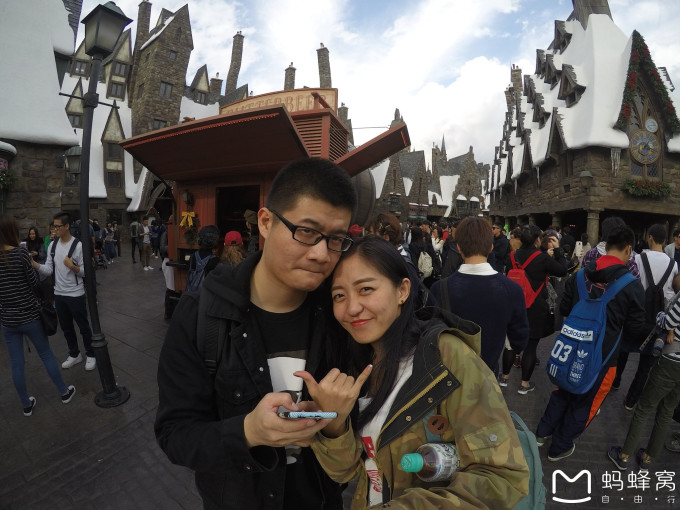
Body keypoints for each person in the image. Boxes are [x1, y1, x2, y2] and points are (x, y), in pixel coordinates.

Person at [155, 158, 357, 510]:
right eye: (306, 232)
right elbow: (176, 434)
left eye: (336, 239)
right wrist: (249, 431)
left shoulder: (340, 317)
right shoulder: (202, 315)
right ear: (265, 222)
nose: (321, 254)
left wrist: (335, 424)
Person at [297, 235, 529, 508]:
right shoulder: (355, 364)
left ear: (402, 291)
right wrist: (334, 425)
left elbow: (502, 479)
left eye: (366, 289)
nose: (352, 308)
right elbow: (348, 472)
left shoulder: (447, 358)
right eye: (339, 295)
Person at [536, 225, 647, 461]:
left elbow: (565, 308)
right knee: (585, 403)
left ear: (606, 245)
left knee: (563, 390)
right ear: (629, 249)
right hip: (604, 358)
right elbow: (636, 329)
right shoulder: (631, 285)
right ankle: (559, 447)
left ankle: (542, 432)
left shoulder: (579, 275)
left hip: (571, 347)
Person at [430, 217, 529, 380]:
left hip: (447, 376)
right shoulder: (512, 290)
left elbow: (429, 335)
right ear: (491, 247)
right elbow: (519, 341)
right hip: (486, 376)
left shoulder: (439, 288)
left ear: (459, 247)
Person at [0, 214, 76, 416]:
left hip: (8, 320)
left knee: (16, 363)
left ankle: (26, 404)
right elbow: (35, 282)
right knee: (46, 354)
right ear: (11, 231)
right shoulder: (21, 254)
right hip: (30, 316)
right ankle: (64, 392)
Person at [608, 273, 680, 470]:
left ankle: (624, 455)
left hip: (670, 362)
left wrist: (660, 316)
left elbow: (668, 322)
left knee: (644, 408)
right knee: (667, 410)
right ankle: (647, 458)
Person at [501, 225, 568, 394]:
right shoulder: (542, 258)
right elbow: (562, 270)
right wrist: (558, 250)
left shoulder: (512, 256)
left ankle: (504, 377)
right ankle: (524, 384)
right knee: (530, 347)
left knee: (510, 345)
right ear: (538, 240)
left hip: (514, 305)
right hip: (535, 307)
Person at [620, 224, 678, 411]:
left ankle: (615, 381)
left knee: (622, 352)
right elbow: (670, 297)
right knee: (645, 367)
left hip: (635, 316)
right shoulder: (673, 264)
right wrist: (670, 328)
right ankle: (631, 401)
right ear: (665, 240)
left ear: (650, 238)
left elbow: (629, 285)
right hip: (657, 322)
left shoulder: (637, 258)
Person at [31, 211, 96, 371]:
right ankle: (74, 354)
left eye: (57, 226)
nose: (54, 229)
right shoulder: (53, 246)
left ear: (67, 226)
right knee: (66, 328)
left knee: (83, 327)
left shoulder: (78, 246)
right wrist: (33, 264)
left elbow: (86, 272)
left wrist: (72, 266)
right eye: (53, 226)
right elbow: (48, 270)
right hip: (59, 294)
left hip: (76, 294)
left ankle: (90, 354)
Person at [365, 212, 435, 309]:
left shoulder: (403, 266)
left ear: (386, 237)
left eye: (370, 233)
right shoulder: (378, 260)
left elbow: (410, 304)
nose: (367, 238)